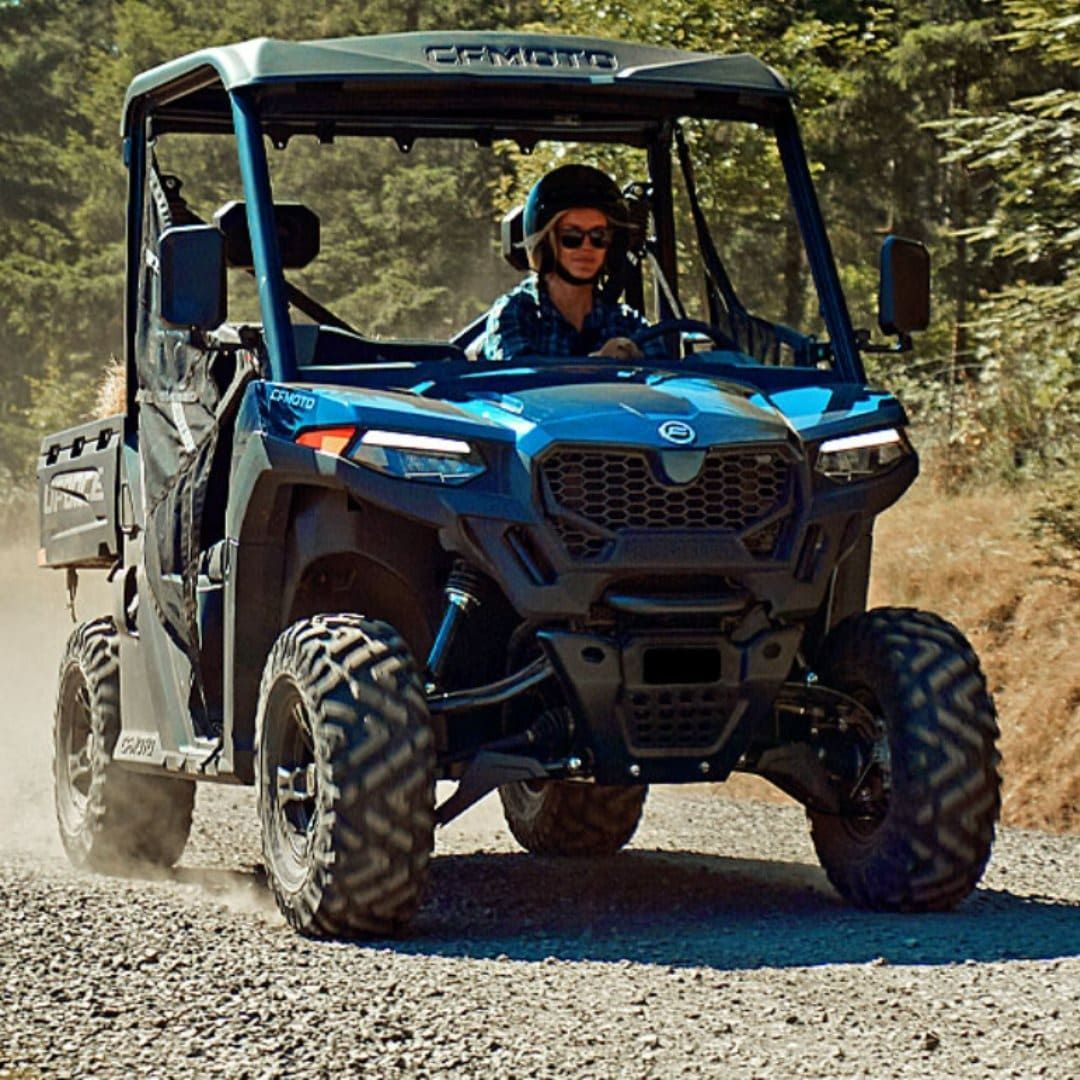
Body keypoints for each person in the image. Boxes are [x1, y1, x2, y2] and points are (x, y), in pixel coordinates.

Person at [482, 164, 664, 362]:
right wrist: (600, 363)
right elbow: (518, 379)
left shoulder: (627, 324)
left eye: (598, 236)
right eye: (572, 236)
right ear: (547, 242)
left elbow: (669, 382)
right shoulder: (516, 313)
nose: (587, 246)